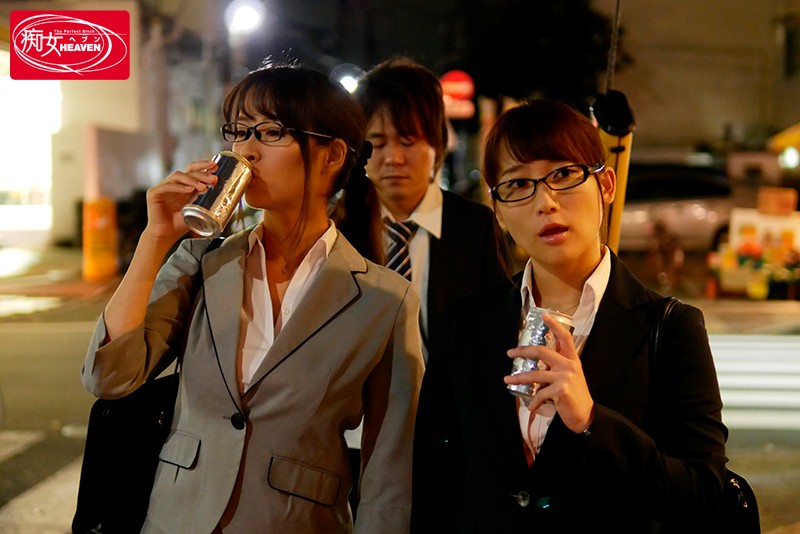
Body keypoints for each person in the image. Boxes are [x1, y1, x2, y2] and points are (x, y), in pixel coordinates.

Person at [81, 62, 424, 533]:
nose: (246, 151)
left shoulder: (384, 298)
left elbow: (389, 471)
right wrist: (155, 238)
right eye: (238, 132)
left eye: (270, 132)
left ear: (332, 155)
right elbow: (110, 377)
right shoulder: (203, 262)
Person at [412, 99, 728, 532]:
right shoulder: (469, 320)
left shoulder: (670, 328)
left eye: (562, 174)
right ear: (498, 210)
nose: (545, 202)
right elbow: (436, 480)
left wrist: (591, 421)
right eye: (518, 184)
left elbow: (705, 497)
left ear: (606, 185)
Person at [346, 56, 502, 514]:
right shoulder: (337, 228)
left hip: (445, 441)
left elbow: (495, 333)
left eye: (408, 140)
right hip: (354, 438)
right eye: (376, 143)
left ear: (436, 143)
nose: (393, 158)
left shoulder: (473, 227)